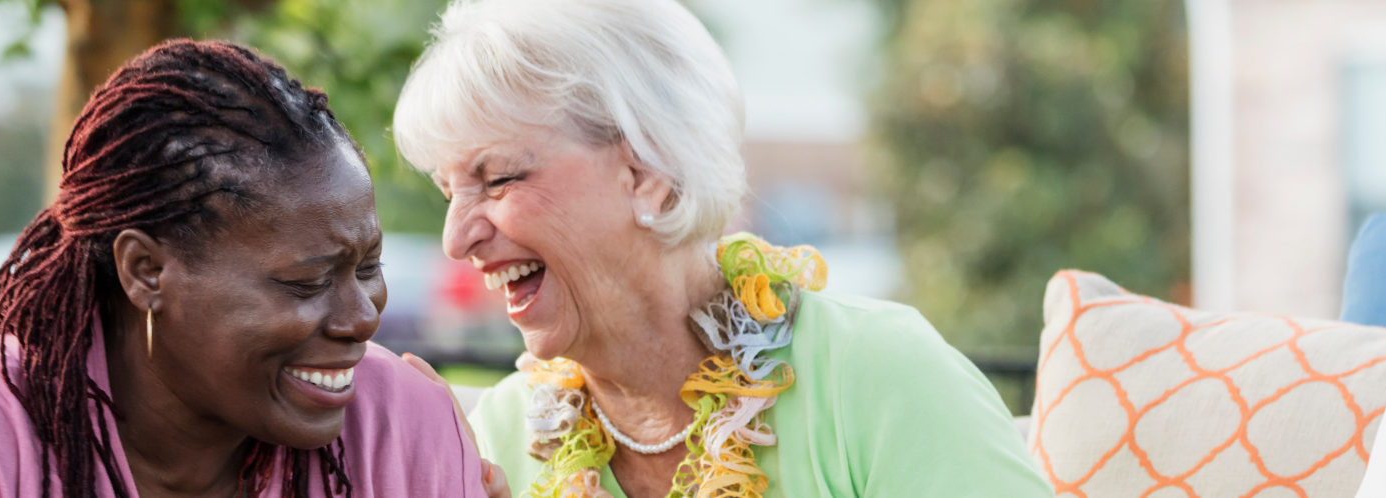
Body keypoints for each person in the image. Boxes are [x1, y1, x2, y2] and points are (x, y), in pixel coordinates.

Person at [390, 0, 1053, 496]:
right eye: (449, 191)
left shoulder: (874, 377)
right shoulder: (505, 438)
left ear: (648, 172)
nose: (457, 238)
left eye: (498, 177)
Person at [0, 39, 498, 498]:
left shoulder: (401, 427)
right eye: (308, 281)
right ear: (146, 271)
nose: (360, 318)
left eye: (368, 266)